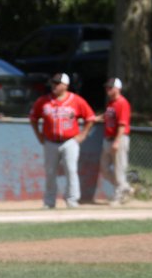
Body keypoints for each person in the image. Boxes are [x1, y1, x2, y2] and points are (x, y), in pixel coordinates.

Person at [29, 72, 95, 209]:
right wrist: (38, 135)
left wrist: (83, 135)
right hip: (50, 141)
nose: (54, 86)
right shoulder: (43, 101)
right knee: (50, 172)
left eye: (58, 83)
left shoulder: (76, 100)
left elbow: (90, 118)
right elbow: (33, 118)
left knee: (71, 170)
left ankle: (72, 200)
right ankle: (49, 202)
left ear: (66, 85)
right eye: (53, 83)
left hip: (69, 141)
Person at [96, 77, 132, 206]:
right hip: (108, 139)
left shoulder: (122, 103)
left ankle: (119, 196)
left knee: (119, 169)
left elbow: (122, 124)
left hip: (119, 139)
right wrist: (95, 118)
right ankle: (124, 187)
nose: (108, 89)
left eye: (111, 87)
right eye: (107, 87)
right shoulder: (111, 103)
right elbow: (107, 116)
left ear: (118, 88)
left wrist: (117, 141)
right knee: (104, 168)